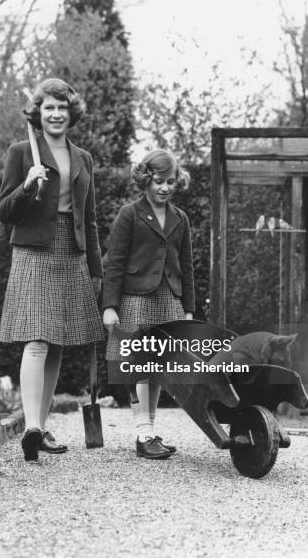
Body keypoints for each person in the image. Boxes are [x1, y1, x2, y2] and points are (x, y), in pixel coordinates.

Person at [0, 78, 104, 461]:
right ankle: (32, 427)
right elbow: (4, 212)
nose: (56, 114)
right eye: (48, 108)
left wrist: (96, 270)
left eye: (62, 107)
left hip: (70, 252)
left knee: (56, 340)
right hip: (33, 251)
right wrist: (26, 186)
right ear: (37, 113)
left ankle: (40, 427)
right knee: (37, 339)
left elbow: (89, 219)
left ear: (70, 112)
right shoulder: (21, 152)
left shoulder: (84, 158)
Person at [102, 149, 194, 459]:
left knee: (158, 367)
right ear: (145, 179)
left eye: (170, 182)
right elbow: (114, 262)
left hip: (168, 298)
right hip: (135, 297)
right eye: (158, 181)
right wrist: (110, 306)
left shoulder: (180, 218)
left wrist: (189, 309)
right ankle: (142, 433)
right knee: (138, 365)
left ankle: (150, 432)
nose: (164, 188)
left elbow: (187, 266)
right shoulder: (130, 213)